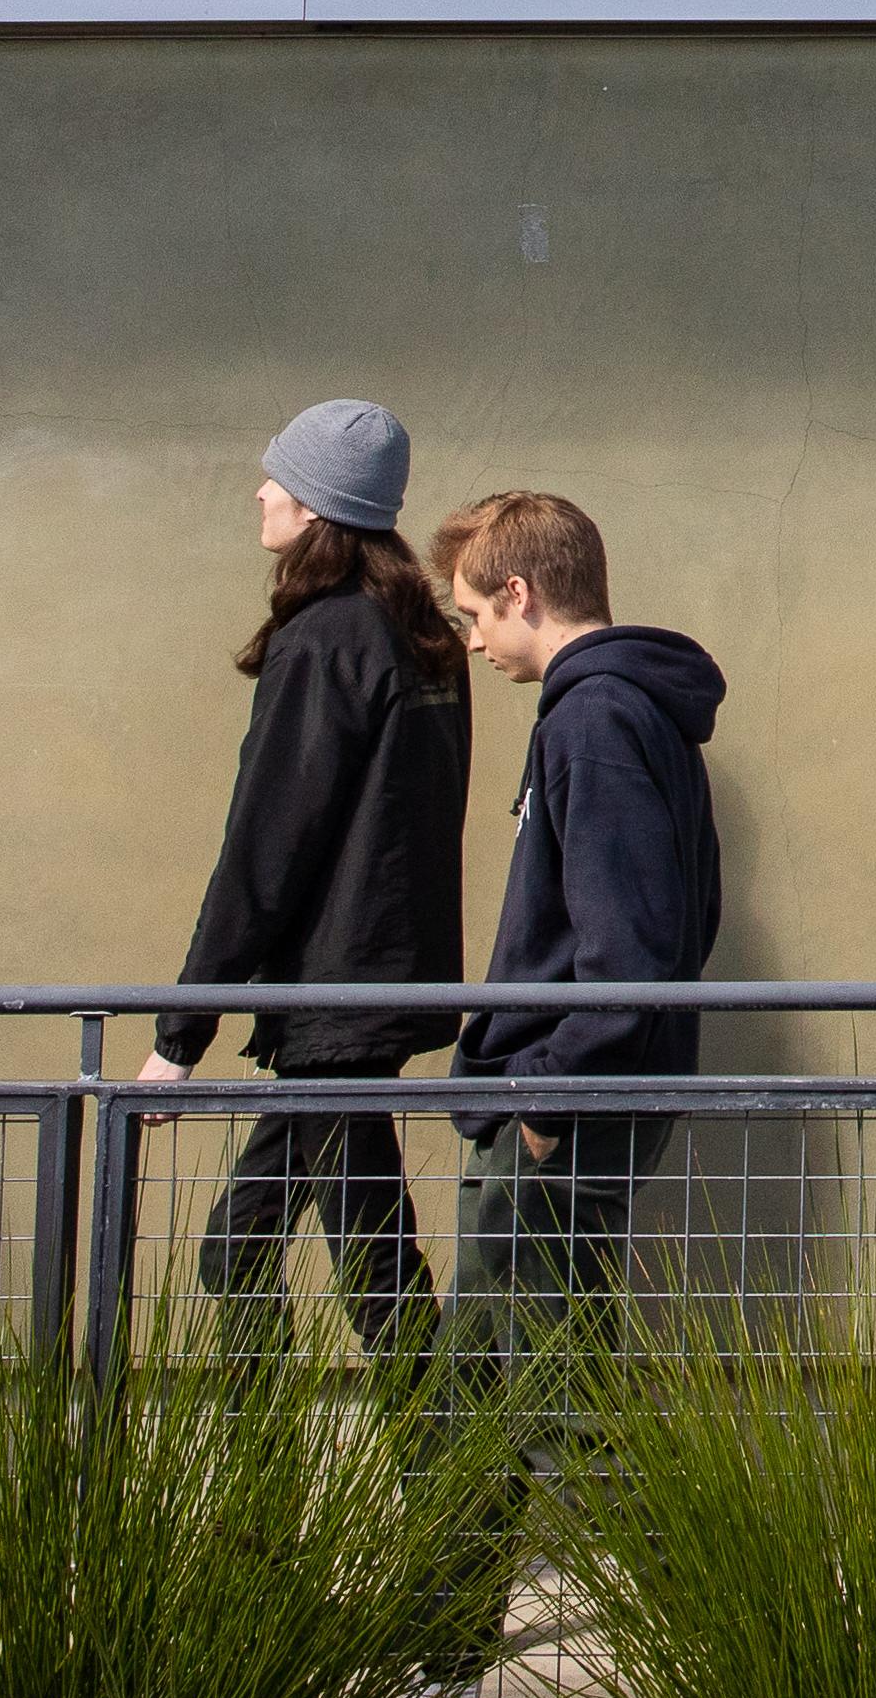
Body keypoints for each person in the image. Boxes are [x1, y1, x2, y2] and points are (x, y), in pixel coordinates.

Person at [140, 401, 471, 1354]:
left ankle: (453, 1497)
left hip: (334, 1001)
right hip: (374, 986)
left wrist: (182, 1029)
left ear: (318, 505)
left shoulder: (326, 639)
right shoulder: (421, 634)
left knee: (354, 1266)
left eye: (277, 476)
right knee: (292, 1253)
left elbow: (264, 844)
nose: (259, 490)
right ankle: (440, 1489)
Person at [430, 491, 725, 1343]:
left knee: (552, 1396)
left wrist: (546, 1101)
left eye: (476, 614)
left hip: (564, 1106)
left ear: (520, 593)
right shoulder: (611, 711)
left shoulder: (595, 718)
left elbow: (632, 950)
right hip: (559, 1093)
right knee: (484, 1387)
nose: (473, 639)